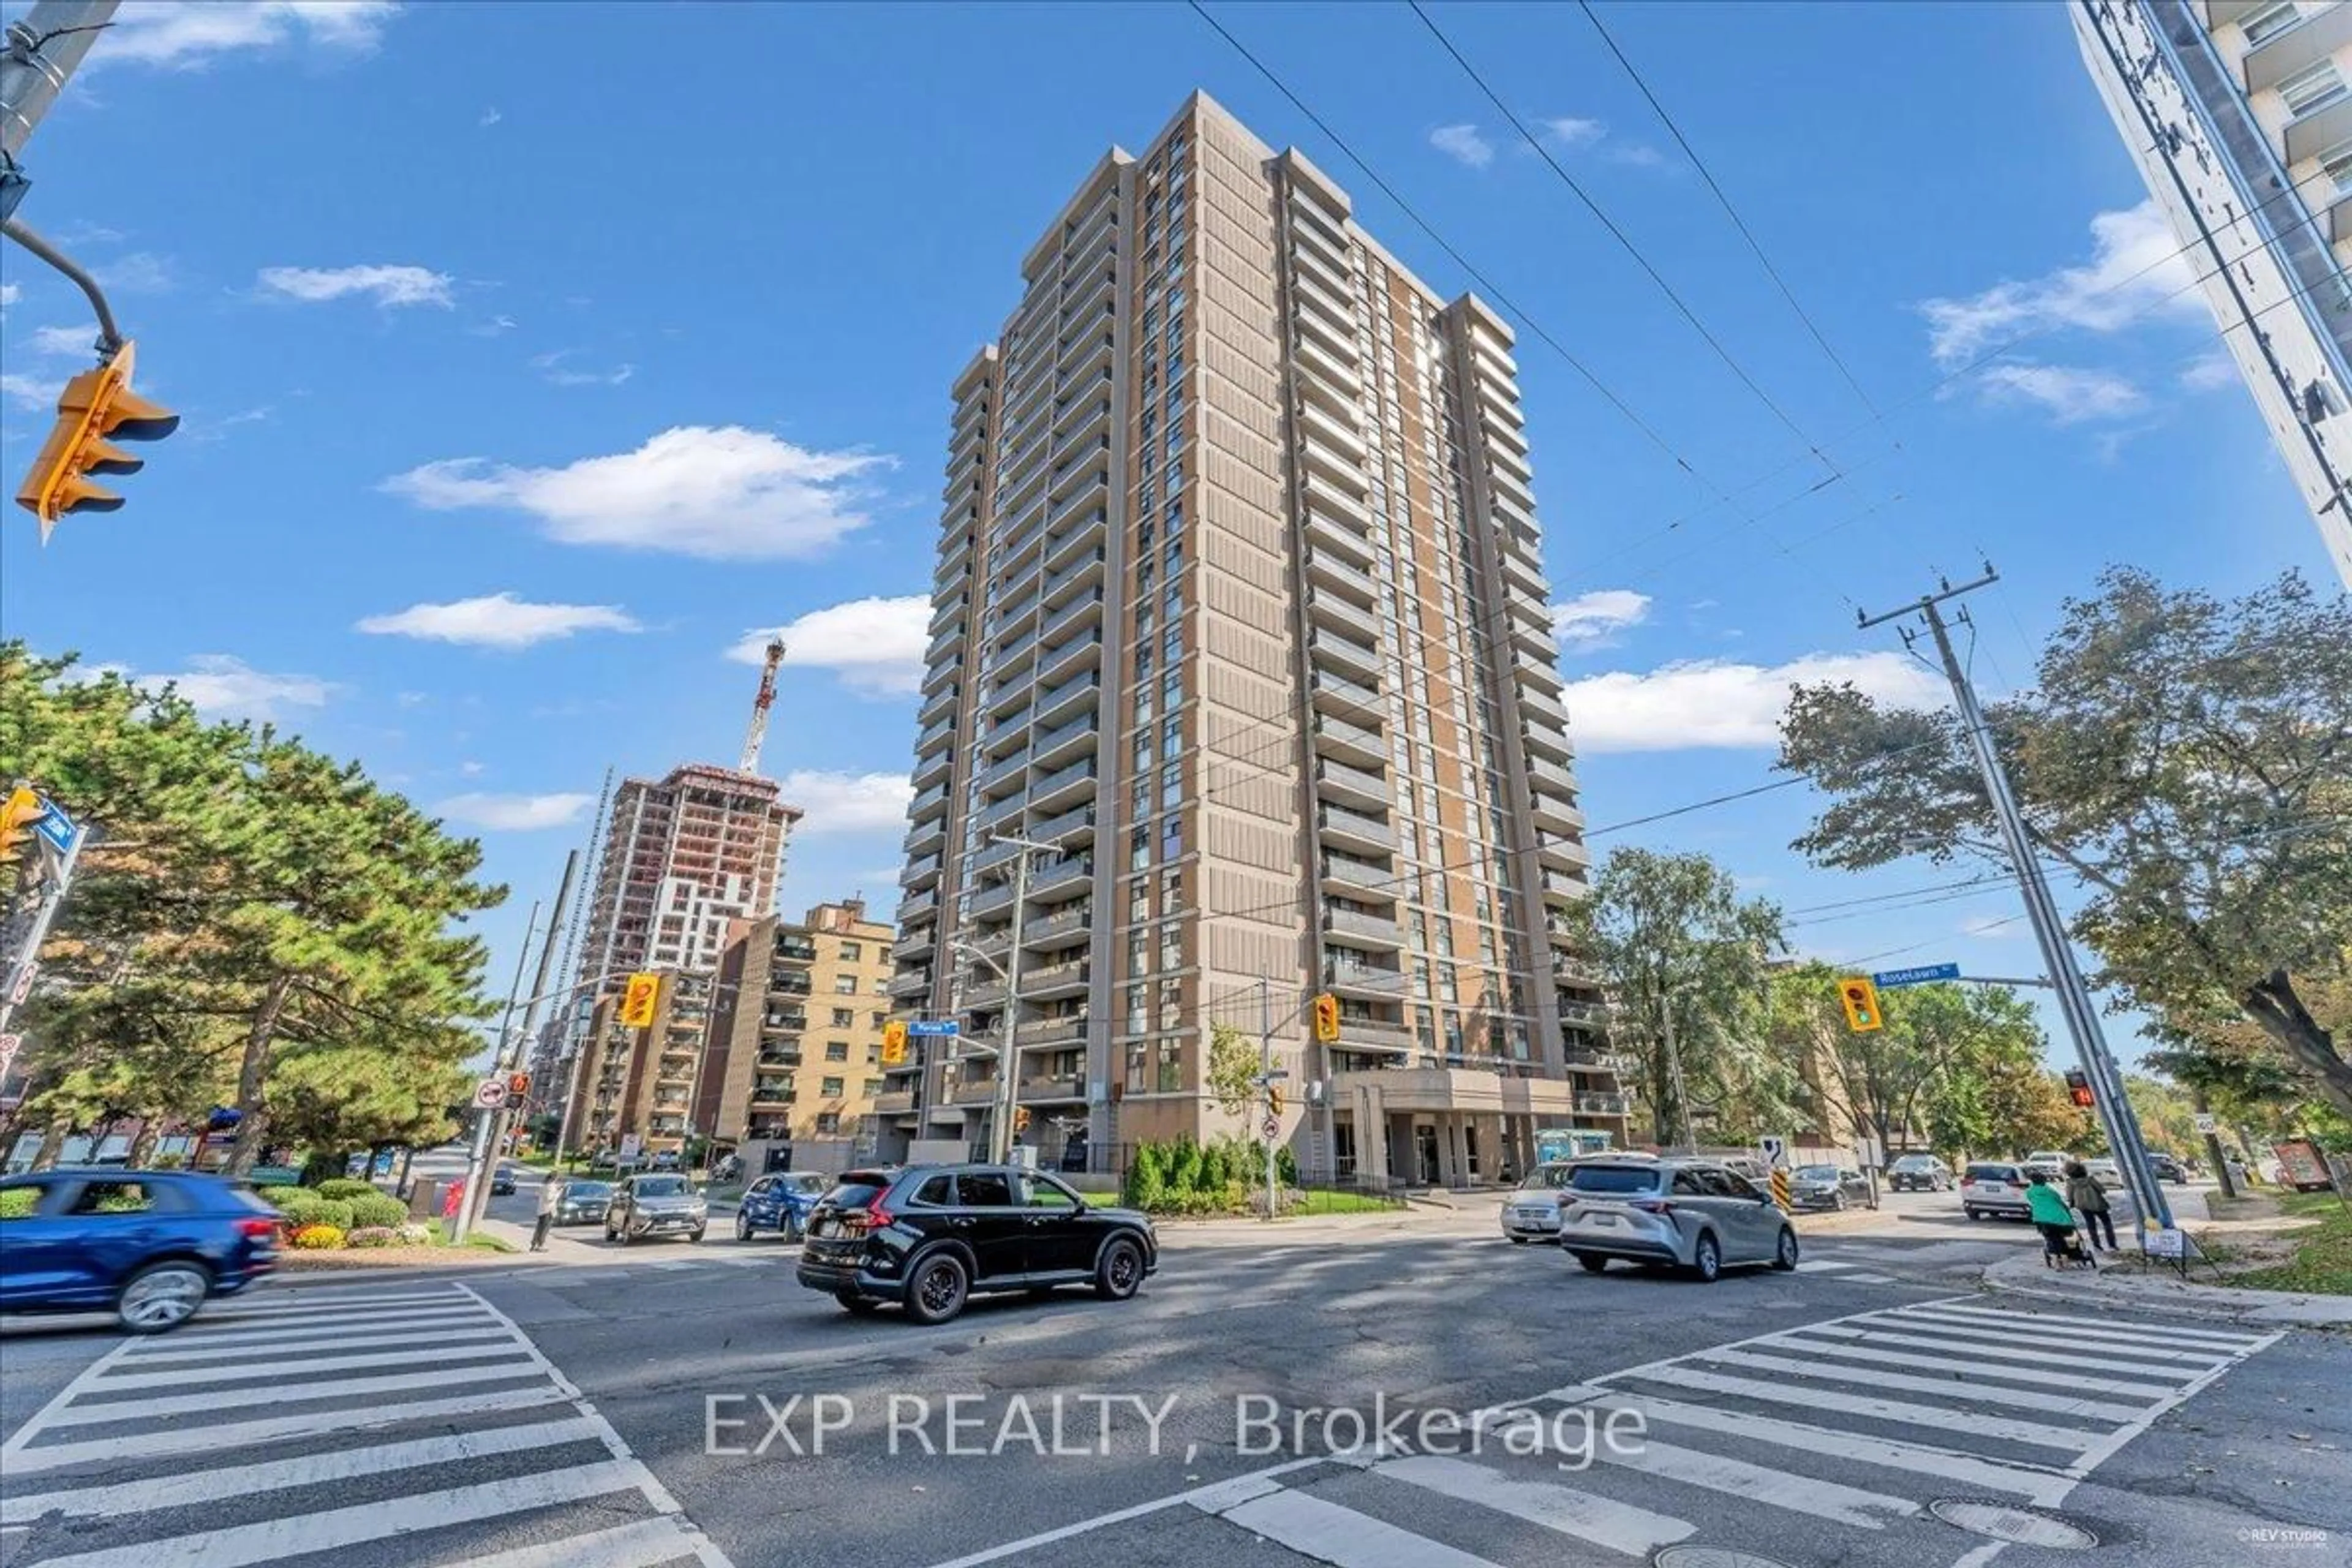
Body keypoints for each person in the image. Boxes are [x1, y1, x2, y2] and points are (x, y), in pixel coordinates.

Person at [2025, 1170, 2089, 1268]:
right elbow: (2060, 1202)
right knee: (2068, 1238)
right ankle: (2067, 1260)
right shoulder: (2050, 1191)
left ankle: (2056, 1263)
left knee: (2051, 1239)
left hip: (2042, 1220)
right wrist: (2068, 1210)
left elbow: (2032, 1201)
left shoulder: (2030, 1192)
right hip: (2060, 1219)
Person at [2064, 1159, 2116, 1252]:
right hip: (2098, 1204)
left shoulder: (2070, 1183)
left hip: (2083, 1206)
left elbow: (2069, 1196)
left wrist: (2072, 1202)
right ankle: (2112, 1244)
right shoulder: (2090, 1179)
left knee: (2091, 1225)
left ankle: (2097, 1246)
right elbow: (2102, 1190)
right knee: (2107, 1223)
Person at [531, 1174, 563, 1252]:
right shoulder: (550, 1187)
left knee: (539, 1228)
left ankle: (534, 1243)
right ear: (554, 1180)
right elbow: (549, 1199)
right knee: (544, 1229)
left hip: (542, 1210)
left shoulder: (544, 1186)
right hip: (548, 1210)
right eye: (557, 1180)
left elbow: (537, 1194)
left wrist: (556, 1189)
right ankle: (540, 1245)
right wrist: (558, 1193)